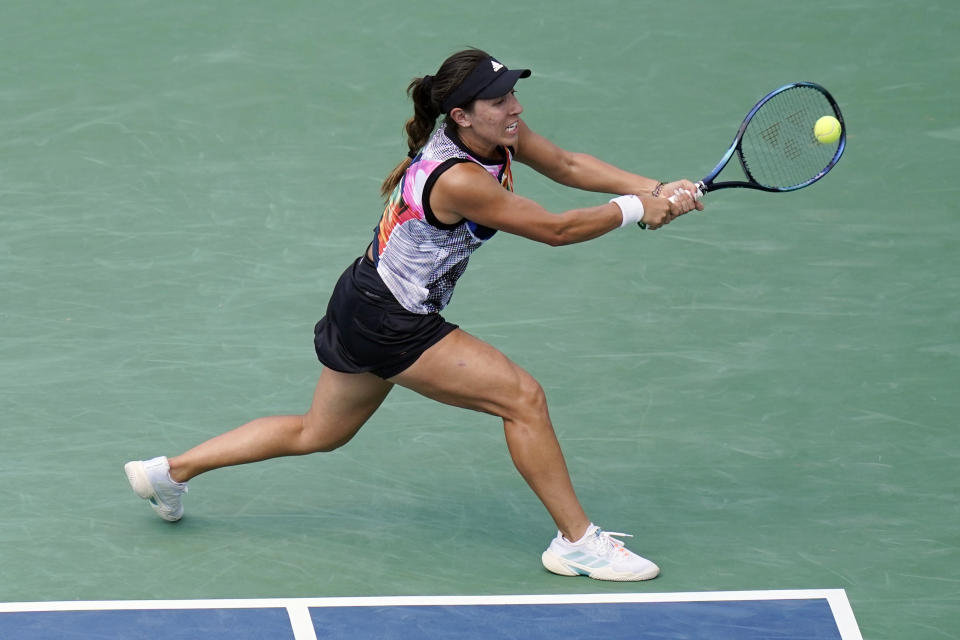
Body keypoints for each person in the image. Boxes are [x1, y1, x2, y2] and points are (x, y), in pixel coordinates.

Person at [124, 48, 703, 581]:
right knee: (522, 399)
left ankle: (168, 473)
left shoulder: (497, 133)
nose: (515, 107)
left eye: (512, 94)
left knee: (317, 432)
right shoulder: (456, 178)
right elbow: (553, 229)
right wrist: (635, 210)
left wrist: (655, 186)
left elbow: (570, 164)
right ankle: (577, 542)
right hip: (393, 321)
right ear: (461, 115)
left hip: (361, 297)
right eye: (500, 99)